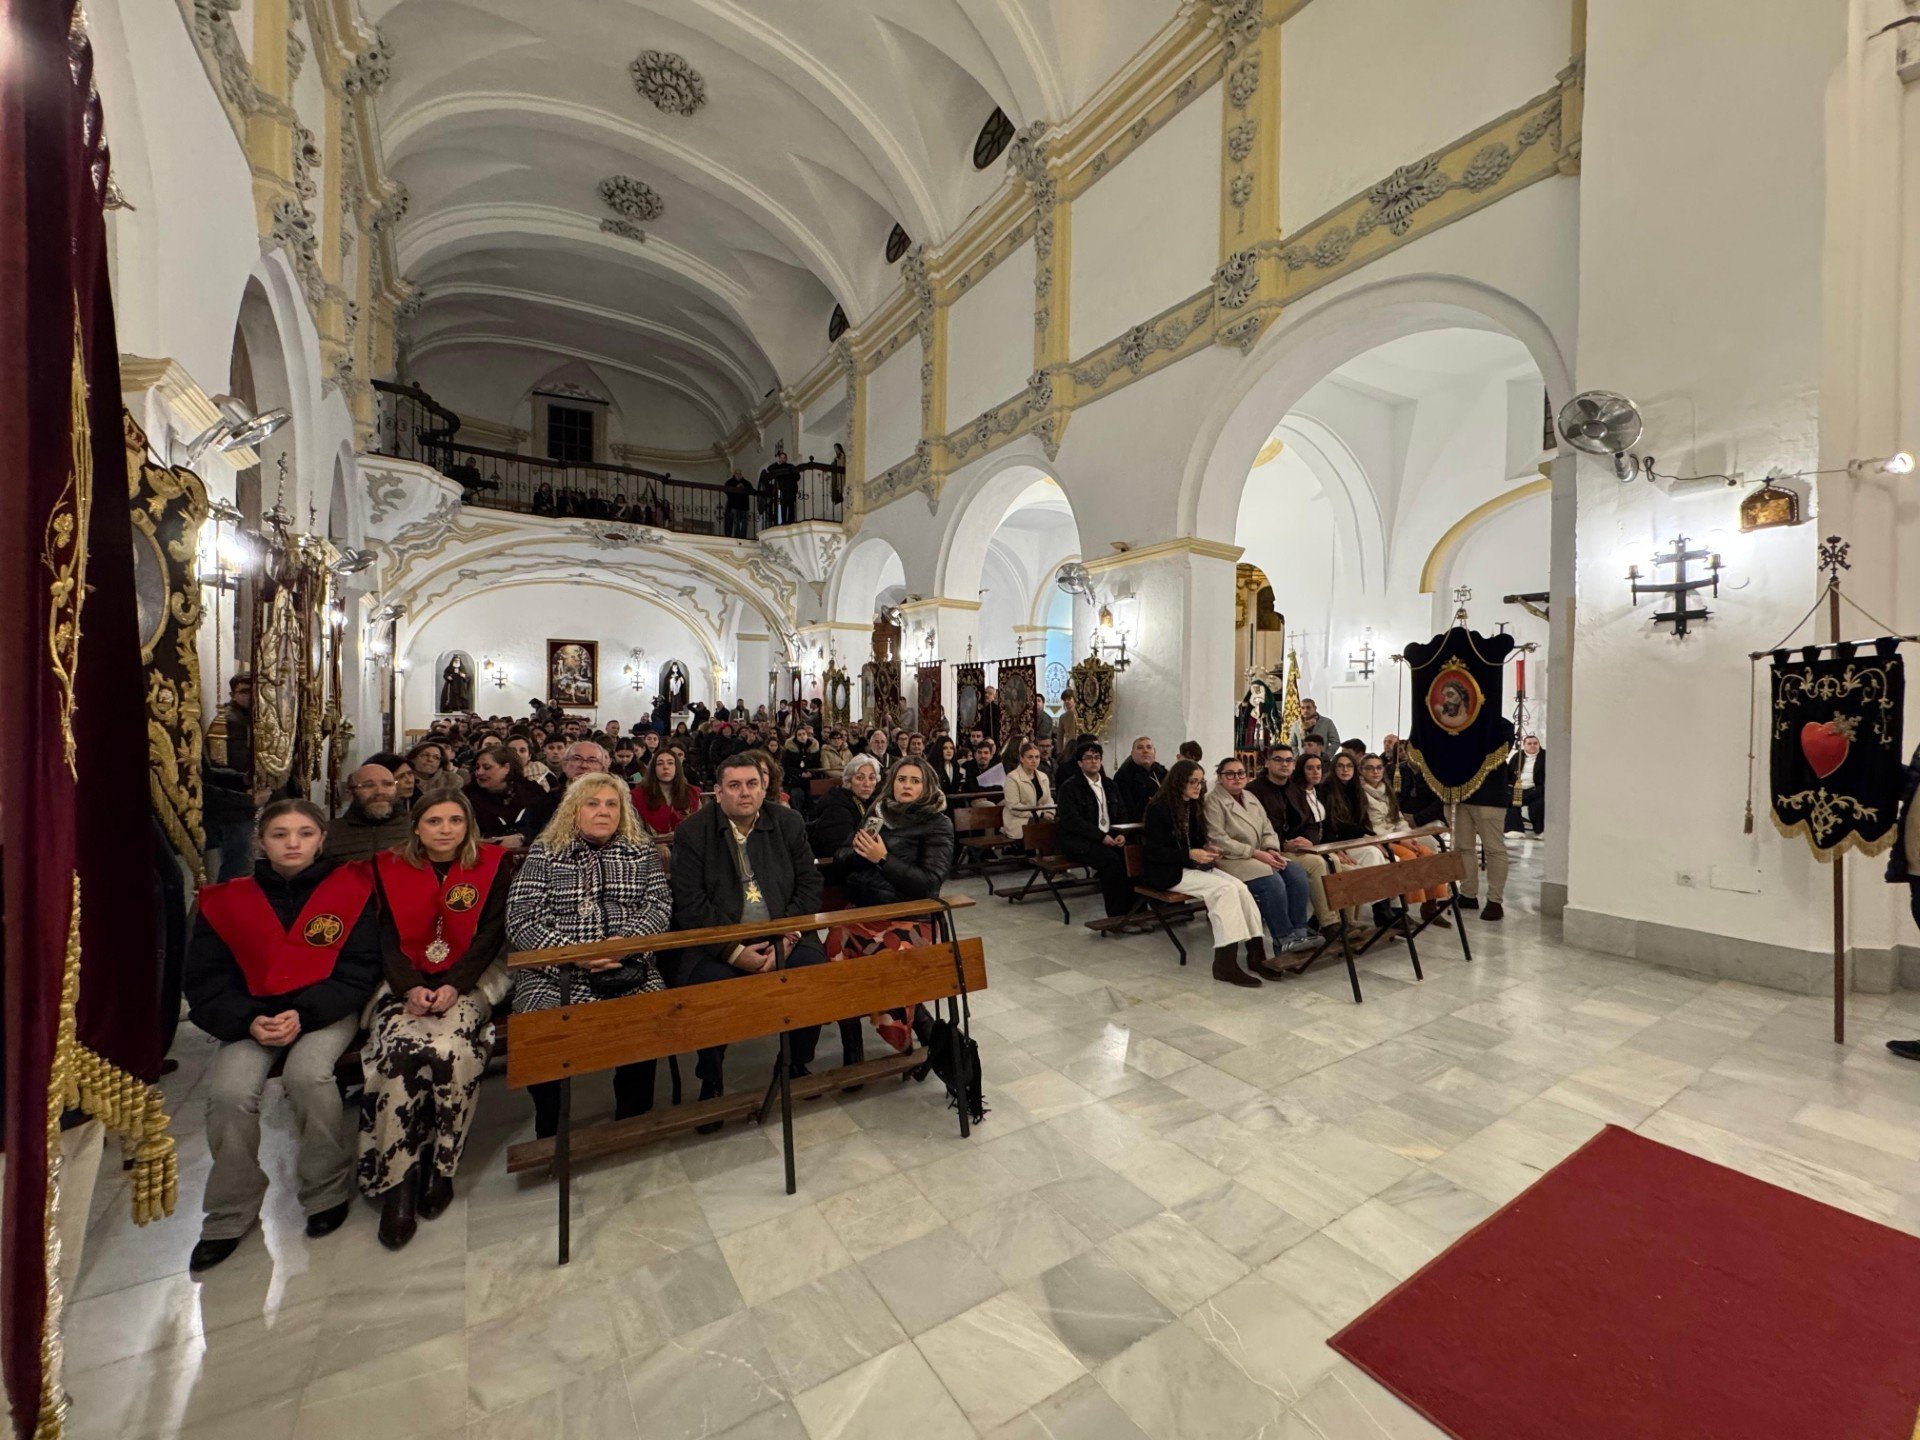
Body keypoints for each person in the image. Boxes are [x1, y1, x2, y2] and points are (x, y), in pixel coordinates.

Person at [184, 800, 381, 1271]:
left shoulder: (351, 890)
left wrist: (305, 1013)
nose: (293, 843)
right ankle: (230, 1211)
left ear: (321, 839)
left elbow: (360, 969)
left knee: (308, 1077)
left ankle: (325, 1190)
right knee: (229, 1094)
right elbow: (206, 980)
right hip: (251, 1018)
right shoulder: (225, 900)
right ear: (261, 840)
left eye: (305, 833)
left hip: (324, 1011)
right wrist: (248, 1020)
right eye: (280, 834)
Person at [361, 792, 512, 1249]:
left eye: (455, 821)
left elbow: (491, 933)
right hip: (404, 981)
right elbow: (386, 936)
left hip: (472, 977)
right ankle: (399, 1176)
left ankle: (442, 1166)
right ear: (417, 827)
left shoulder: (491, 864)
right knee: (399, 1055)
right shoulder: (389, 868)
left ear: (468, 825)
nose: (446, 830)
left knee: (450, 1051)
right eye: (434, 821)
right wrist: (410, 986)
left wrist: (455, 985)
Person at [507, 775, 672, 1137]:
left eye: (612, 804)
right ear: (574, 809)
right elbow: (522, 918)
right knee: (539, 1031)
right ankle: (551, 1123)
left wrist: (626, 942)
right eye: (593, 804)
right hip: (556, 972)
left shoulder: (640, 849)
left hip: (628, 964)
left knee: (647, 1018)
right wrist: (573, 954)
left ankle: (633, 1115)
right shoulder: (547, 851)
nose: (603, 811)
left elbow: (658, 905)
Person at [667, 752, 830, 1108]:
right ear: (717, 792)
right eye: (735, 785)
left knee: (812, 971)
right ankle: (711, 1076)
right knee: (712, 985)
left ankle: (794, 1062)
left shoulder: (787, 822)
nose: (745, 792)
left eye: (752, 783)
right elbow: (690, 904)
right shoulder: (693, 831)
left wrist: (786, 938)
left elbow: (809, 885)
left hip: (785, 930)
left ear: (763, 787)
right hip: (717, 939)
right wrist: (734, 952)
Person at [834, 756, 954, 1052]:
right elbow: (841, 857)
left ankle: (922, 1039)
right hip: (863, 912)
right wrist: (858, 854)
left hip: (908, 917)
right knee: (834, 959)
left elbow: (929, 884)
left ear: (927, 787)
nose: (906, 786)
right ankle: (853, 1049)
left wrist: (883, 859)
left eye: (915, 781)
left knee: (890, 963)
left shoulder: (938, 823)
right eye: (901, 779)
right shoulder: (878, 812)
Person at [1140, 762, 1268, 987]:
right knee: (1225, 890)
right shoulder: (1158, 808)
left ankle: (1256, 954)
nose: (1198, 786)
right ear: (1178, 781)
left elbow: (1196, 841)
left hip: (1191, 866)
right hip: (1167, 871)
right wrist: (1190, 854)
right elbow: (1153, 851)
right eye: (1193, 782)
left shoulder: (1193, 805)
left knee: (1240, 888)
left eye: (1200, 781)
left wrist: (1208, 849)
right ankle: (1225, 965)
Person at [1205, 757, 1318, 960]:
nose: (1236, 778)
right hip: (1231, 859)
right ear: (1220, 777)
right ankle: (1283, 939)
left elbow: (1267, 827)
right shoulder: (1213, 801)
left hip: (1260, 854)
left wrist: (1271, 848)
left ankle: (1299, 932)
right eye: (1229, 774)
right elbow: (1218, 839)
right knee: (1271, 881)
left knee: (1296, 873)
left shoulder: (1249, 796)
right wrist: (1256, 853)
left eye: (1241, 773)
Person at [1359, 752, 1451, 927]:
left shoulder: (1387, 790)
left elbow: (1398, 818)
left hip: (1396, 835)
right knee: (1408, 857)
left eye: (1378, 768)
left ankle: (1430, 906)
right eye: (1369, 768)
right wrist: (1400, 840)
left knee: (1427, 852)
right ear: (1361, 771)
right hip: (1378, 839)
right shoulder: (1359, 793)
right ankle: (1400, 910)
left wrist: (1408, 836)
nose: (1375, 772)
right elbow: (1370, 826)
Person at [1056, 740, 1134, 918]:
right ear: (1079, 763)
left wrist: (1121, 834)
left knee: (1132, 857)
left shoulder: (1110, 785)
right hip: (1080, 841)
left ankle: (1136, 912)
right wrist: (1100, 837)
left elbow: (1122, 812)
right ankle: (1117, 916)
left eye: (1097, 757)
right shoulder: (1070, 787)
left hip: (1109, 838)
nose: (1094, 761)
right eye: (1089, 758)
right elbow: (1071, 821)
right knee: (1111, 862)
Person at [1447, 719, 1514, 922]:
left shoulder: (1500, 725)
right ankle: (1468, 894)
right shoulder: (1458, 721)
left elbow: (1497, 753)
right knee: (1463, 847)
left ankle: (1495, 900)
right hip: (1460, 794)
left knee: (1494, 848)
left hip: (1489, 795)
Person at [516, 739, 611, 842]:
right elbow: (527, 832)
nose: (583, 765)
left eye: (592, 760)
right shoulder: (544, 801)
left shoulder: (614, 801)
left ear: (603, 769)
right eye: (577, 759)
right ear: (564, 765)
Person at [327, 762, 414, 862]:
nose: (380, 792)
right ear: (350, 793)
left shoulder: (417, 827)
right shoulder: (329, 833)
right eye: (368, 786)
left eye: (387, 784)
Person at [464, 743, 543, 846]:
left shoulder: (533, 791)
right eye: (477, 767)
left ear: (506, 768)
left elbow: (545, 827)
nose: (479, 772)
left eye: (487, 767)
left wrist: (523, 837)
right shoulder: (467, 796)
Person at [809, 754, 881, 862]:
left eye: (872, 778)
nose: (867, 784)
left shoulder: (870, 803)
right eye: (860, 778)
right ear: (848, 780)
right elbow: (838, 854)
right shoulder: (836, 809)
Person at [632, 747, 701, 835]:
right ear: (654, 768)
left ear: (677, 767)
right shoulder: (638, 795)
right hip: (650, 842)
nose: (665, 767)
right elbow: (636, 831)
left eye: (670, 763)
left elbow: (699, 827)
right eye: (660, 764)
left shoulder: (692, 793)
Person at [1114, 736, 1168, 822]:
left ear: (1154, 752)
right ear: (1132, 753)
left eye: (1149, 747)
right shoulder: (1123, 776)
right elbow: (1127, 807)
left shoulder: (1162, 772)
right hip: (1137, 823)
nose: (1145, 751)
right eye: (1140, 748)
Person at [1505, 734, 1546, 839]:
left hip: (1537, 790)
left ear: (1539, 744)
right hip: (1518, 789)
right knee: (1511, 803)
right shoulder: (1517, 756)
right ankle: (1515, 830)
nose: (1532, 746)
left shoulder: (1545, 756)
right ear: (1524, 745)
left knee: (1537, 806)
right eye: (1529, 743)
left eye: (1535, 743)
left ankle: (1540, 831)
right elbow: (1509, 773)